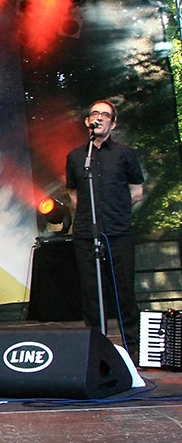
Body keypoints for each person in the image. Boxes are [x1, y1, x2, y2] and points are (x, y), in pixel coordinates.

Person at [66, 99, 144, 357]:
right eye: (94, 114)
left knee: (123, 290)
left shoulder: (125, 153)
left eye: (105, 115)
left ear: (113, 122)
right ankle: (98, 350)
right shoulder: (77, 157)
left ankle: (132, 349)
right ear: (88, 121)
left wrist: (116, 212)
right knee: (91, 293)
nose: (99, 118)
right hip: (87, 235)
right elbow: (73, 193)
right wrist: (88, 217)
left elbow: (136, 191)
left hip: (118, 232)